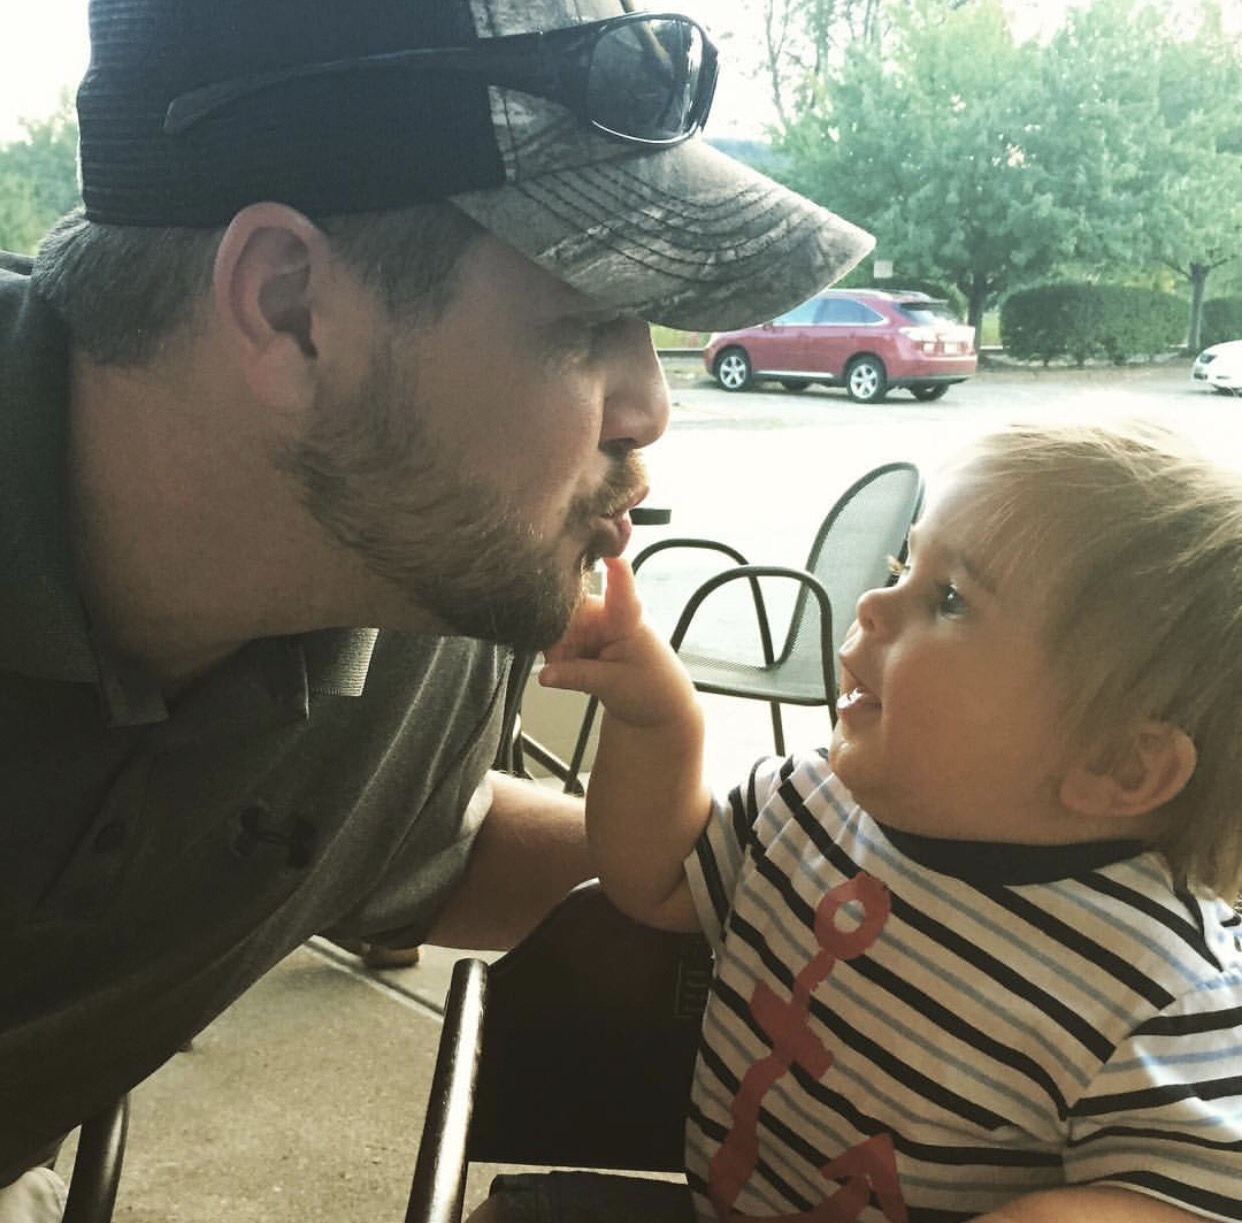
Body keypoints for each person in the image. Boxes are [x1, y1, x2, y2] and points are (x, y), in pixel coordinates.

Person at [0, 0, 875, 1212]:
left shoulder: (420, 615)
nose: (650, 407)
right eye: (588, 321)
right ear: (289, 305)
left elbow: (428, 838)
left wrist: (863, 888)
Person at [537, 421, 1242, 1223]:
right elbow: (654, 879)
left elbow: (1189, 1200)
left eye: (950, 599)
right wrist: (658, 724)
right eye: (904, 567)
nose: (872, 604)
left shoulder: (1166, 995)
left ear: (1121, 765)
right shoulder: (812, 805)